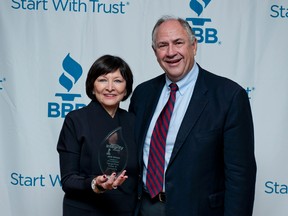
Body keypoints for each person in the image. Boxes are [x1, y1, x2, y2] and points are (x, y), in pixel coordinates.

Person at [129, 15, 257, 216]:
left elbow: (240, 175)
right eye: (163, 45)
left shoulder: (229, 96)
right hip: (146, 207)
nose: (171, 52)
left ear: (194, 46)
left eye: (178, 43)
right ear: (155, 52)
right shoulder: (143, 94)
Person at [57, 55, 138, 216]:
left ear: (126, 89)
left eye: (117, 80)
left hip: (126, 210)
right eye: (102, 80)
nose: (110, 87)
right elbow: (68, 179)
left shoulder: (133, 122)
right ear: (92, 86)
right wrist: (95, 184)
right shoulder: (76, 120)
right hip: (85, 210)